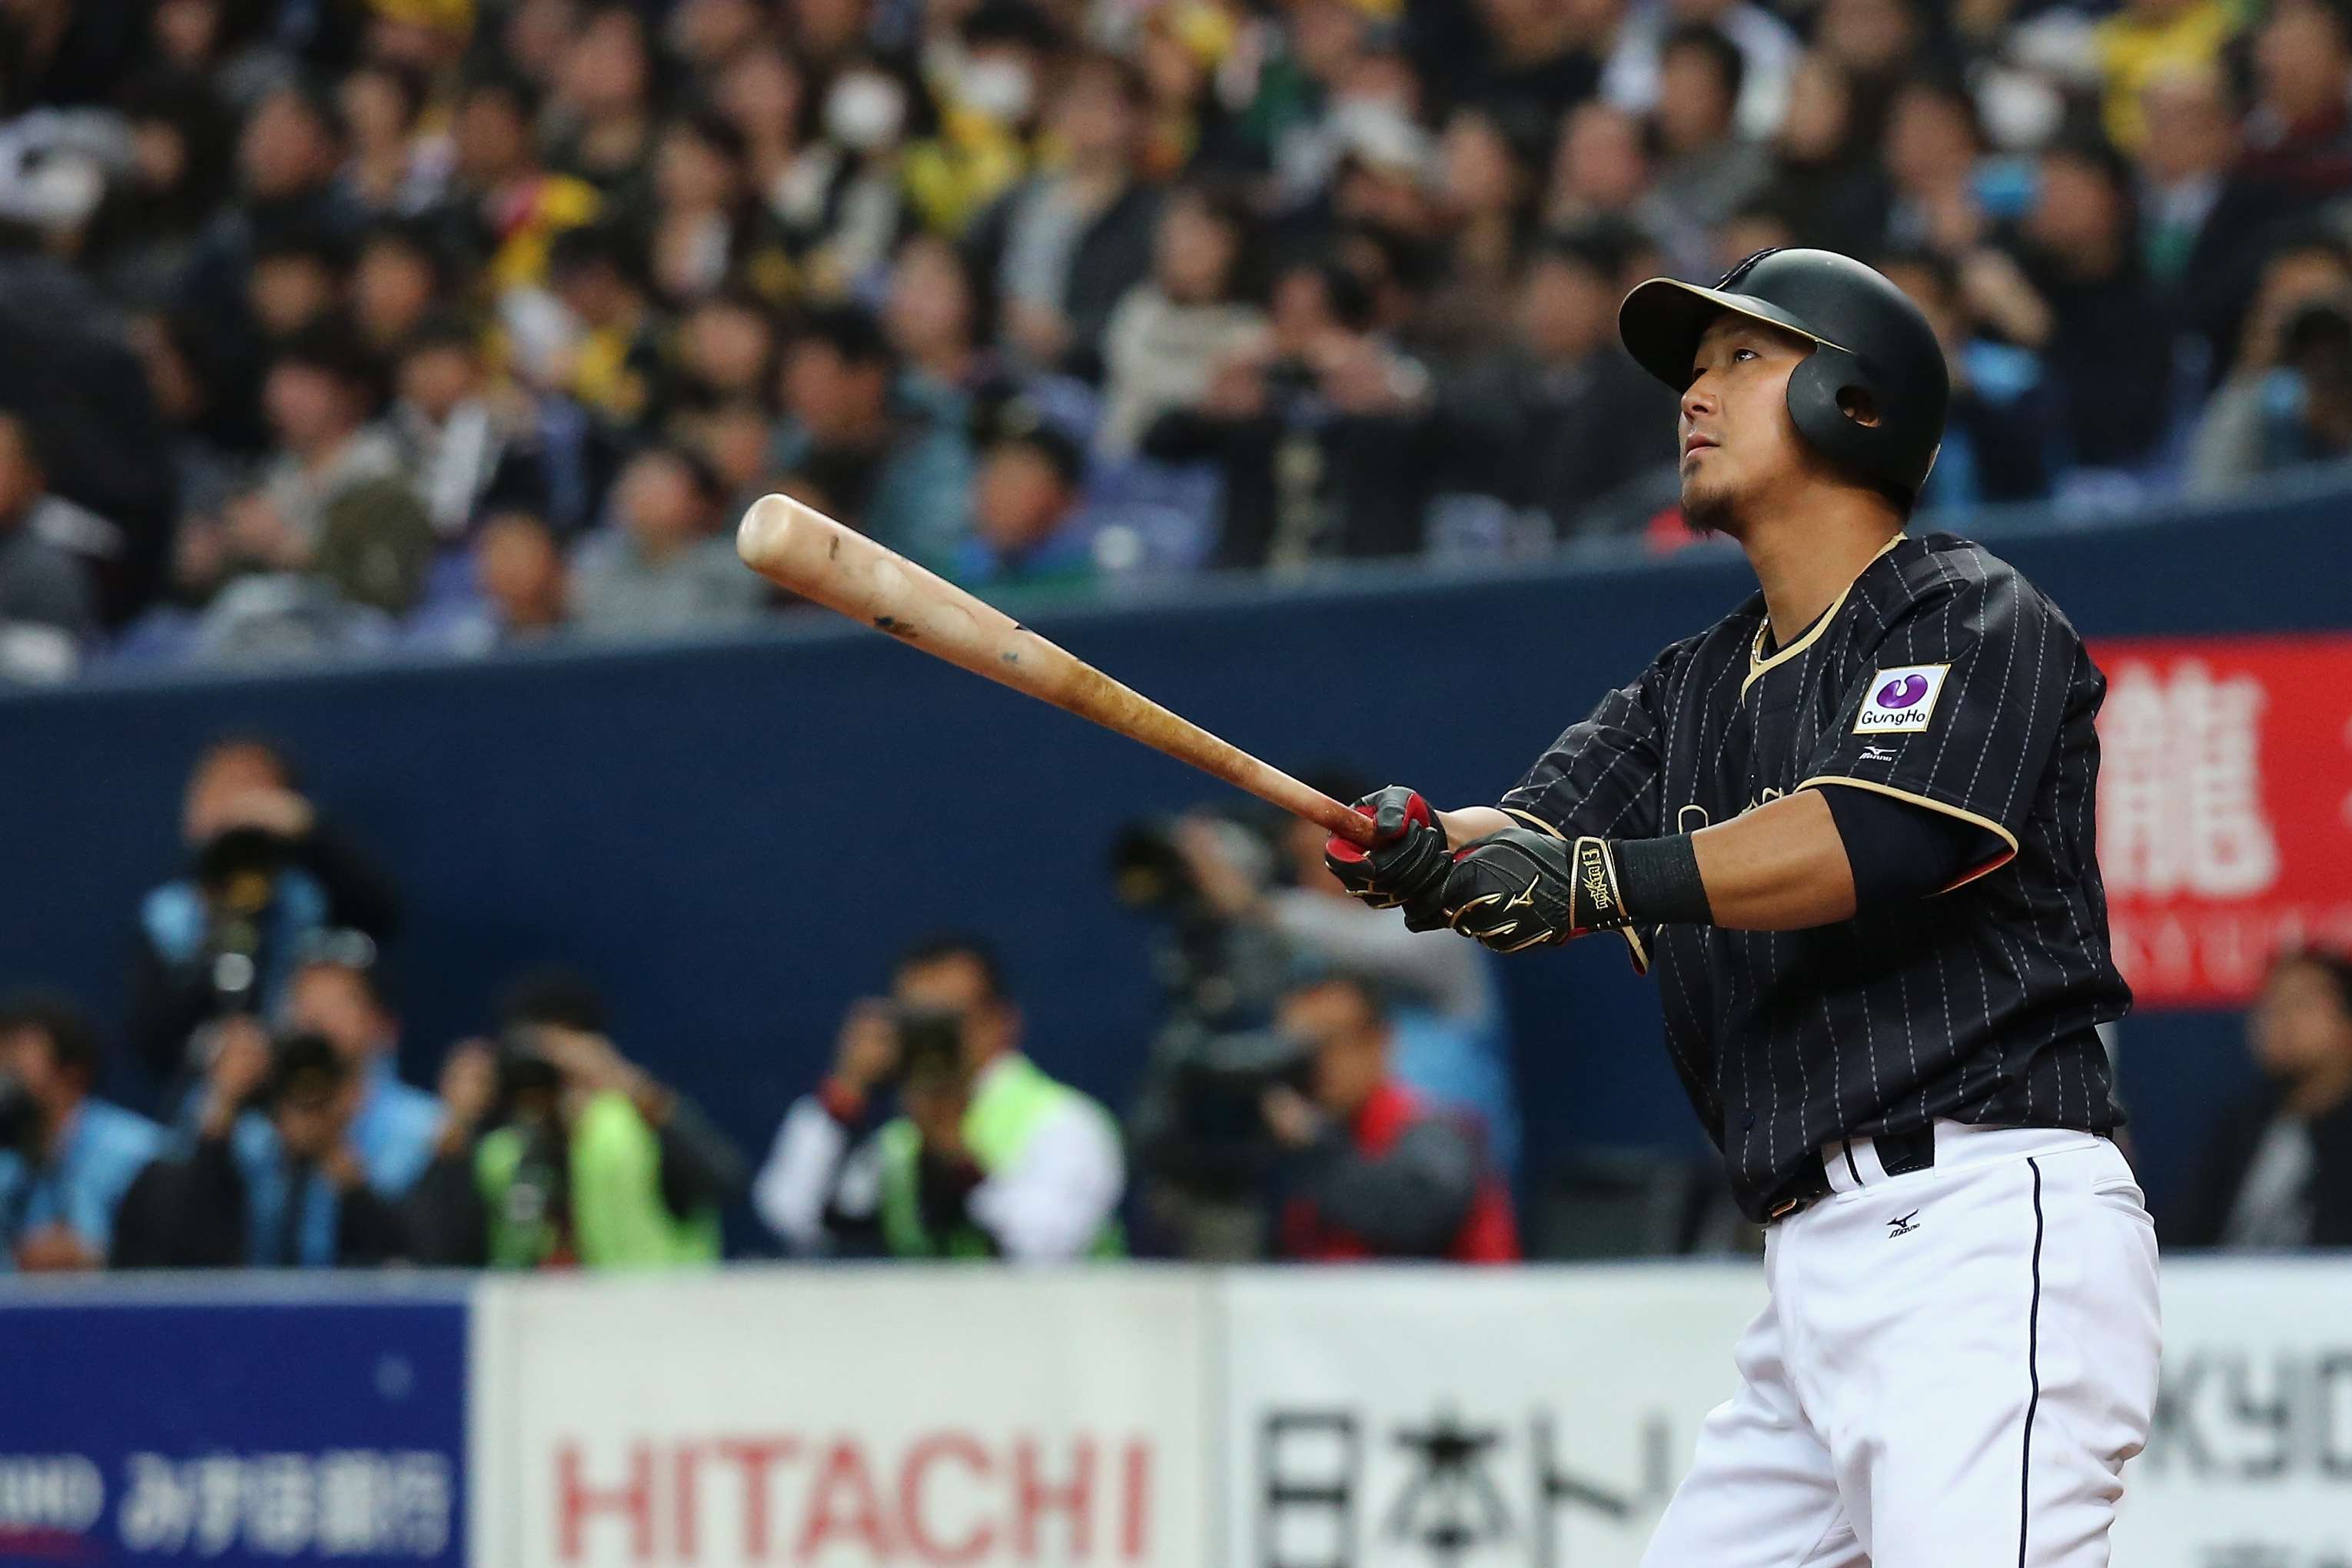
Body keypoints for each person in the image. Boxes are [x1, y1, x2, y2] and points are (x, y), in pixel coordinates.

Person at [1328, 248, 2158, 1565]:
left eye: (1742, 360)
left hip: (1982, 1229)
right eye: (1696, 369)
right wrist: (1426, 855)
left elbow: (1878, 834)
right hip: (1808, 1268)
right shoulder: (1695, 683)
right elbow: (1533, 841)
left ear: (1856, 403)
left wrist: (1597, 881)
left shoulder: (1966, 611)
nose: (1695, 397)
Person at [753, 934, 1125, 1261]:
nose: (933, 1039)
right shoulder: (898, 1139)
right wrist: (843, 1096)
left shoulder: (1064, 1123)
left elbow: (1044, 1246)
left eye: (949, 1020)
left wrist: (955, 1156)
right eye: (915, 1021)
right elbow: (790, 1217)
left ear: (1001, 1023)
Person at [127, 733, 402, 1100]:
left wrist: (309, 829)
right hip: (225, 1103)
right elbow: (150, 1038)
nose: (235, 809)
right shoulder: (170, 915)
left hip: (330, 1096)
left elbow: (383, 915)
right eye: (217, 792)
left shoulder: (315, 893)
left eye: (250, 790)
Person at [443, 967, 748, 1269]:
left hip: (657, 1311)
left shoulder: (635, 1129)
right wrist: (459, 1126)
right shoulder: (503, 1148)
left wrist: (633, 1087)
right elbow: (440, 1256)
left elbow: (728, 1179)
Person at [1266, 972, 1519, 1261]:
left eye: (1333, 1041)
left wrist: (1315, 1146)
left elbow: (1418, 1215)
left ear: (1380, 1042)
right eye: (1300, 1048)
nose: (1318, 1062)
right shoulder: (1294, 1140)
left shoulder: (1434, 1131)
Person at [2173, 949, 2352, 1247]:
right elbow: (2182, 1242)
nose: (2281, 1021)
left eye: (2302, 1004)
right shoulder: (2241, 1130)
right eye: (2269, 1007)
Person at [0, 992, 164, 1271]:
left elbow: (176, 1250)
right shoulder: (10, 1167)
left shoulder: (141, 1154)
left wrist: (95, 1255)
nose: (6, 1072)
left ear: (73, 1072)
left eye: (19, 1055)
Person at [568, 440, 768, 639]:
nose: (642, 495)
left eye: (657, 484)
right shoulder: (591, 566)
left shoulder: (733, 569)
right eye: (635, 482)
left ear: (696, 500)